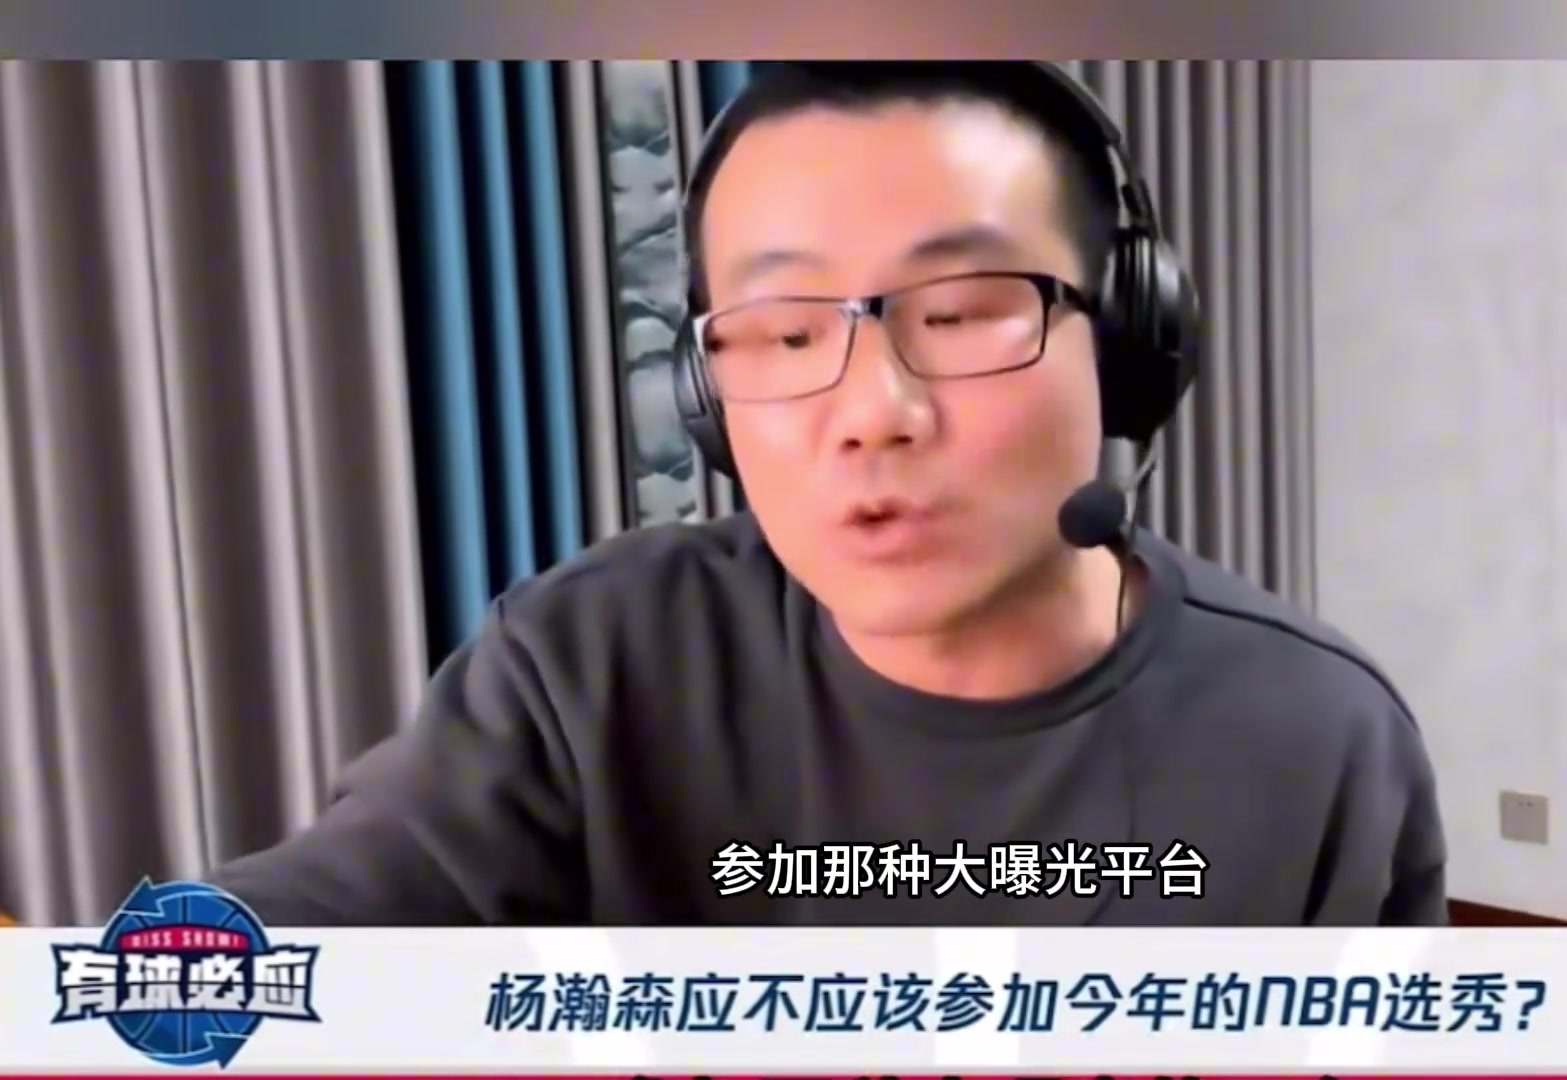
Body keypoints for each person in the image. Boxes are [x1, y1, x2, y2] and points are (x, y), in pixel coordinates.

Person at [206, 61, 1447, 926]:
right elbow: (314, 925)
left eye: (959, 312)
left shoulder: (1317, 731)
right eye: (788, 335)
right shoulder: (593, 662)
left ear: (1129, 347)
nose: (872, 412)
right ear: (706, 399)